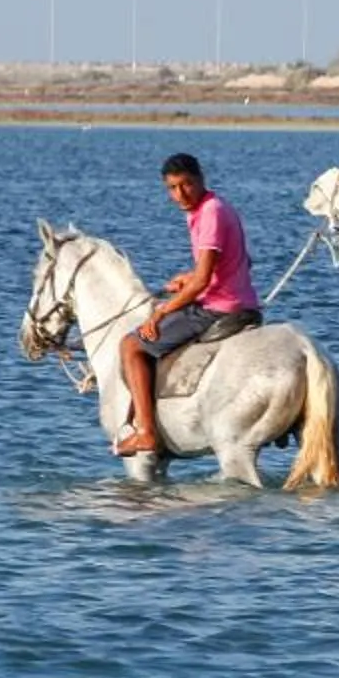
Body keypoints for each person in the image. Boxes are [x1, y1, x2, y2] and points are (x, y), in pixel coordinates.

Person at [115, 151, 262, 455]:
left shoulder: (209, 213)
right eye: (172, 188)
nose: (180, 194)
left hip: (217, 308)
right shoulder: (216, 207)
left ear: (200, 180)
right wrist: (189, 276)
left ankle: (145, 432)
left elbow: (202, 283)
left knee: (130, 345)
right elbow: (241, 261)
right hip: (237, 299)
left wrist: (160, 312)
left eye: (186, 184)